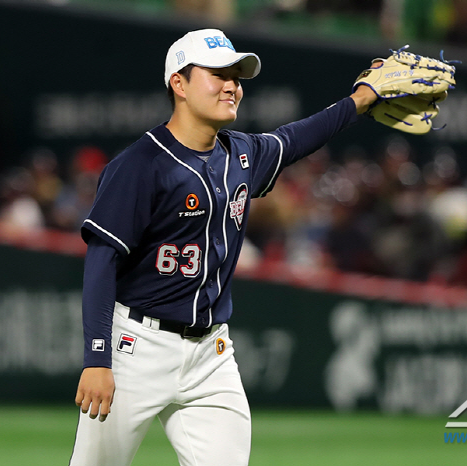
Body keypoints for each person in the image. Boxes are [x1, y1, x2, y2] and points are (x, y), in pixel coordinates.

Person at [69, 28, 378, 466]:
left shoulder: (241, 154)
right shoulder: (141, 165)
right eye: (218, 74)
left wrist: (361, 100)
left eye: (237, 76)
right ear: (179, 83)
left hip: (211, 356)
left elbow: (298, 137)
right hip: (135, 347)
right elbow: (101, 261)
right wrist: (96, 358)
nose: (232, 85)